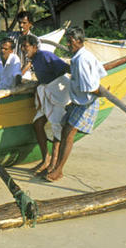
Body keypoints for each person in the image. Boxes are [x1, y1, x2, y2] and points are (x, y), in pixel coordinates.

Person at [45, 27, 107, 182]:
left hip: (86, 103)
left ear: (79, 41)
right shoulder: (81, 56)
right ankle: (56, 166)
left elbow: (90, 88)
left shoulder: (81, 60)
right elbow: (101, 72)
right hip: (78, 101)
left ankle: (58, 170)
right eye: (67, 41)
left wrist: (100, 93)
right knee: (64, 131)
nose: (68, 44)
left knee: (68, 135)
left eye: (70, 41)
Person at [21, 34, 71, 175]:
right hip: (48, 91)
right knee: (37, 123)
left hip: (59, 91)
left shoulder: (45, 55)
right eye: (22, 46)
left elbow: (66, 68)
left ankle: (54, 163)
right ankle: (46, 159)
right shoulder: (33, 59)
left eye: (26, 46)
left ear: (34, 47)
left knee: (57, 126)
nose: (24, 49)